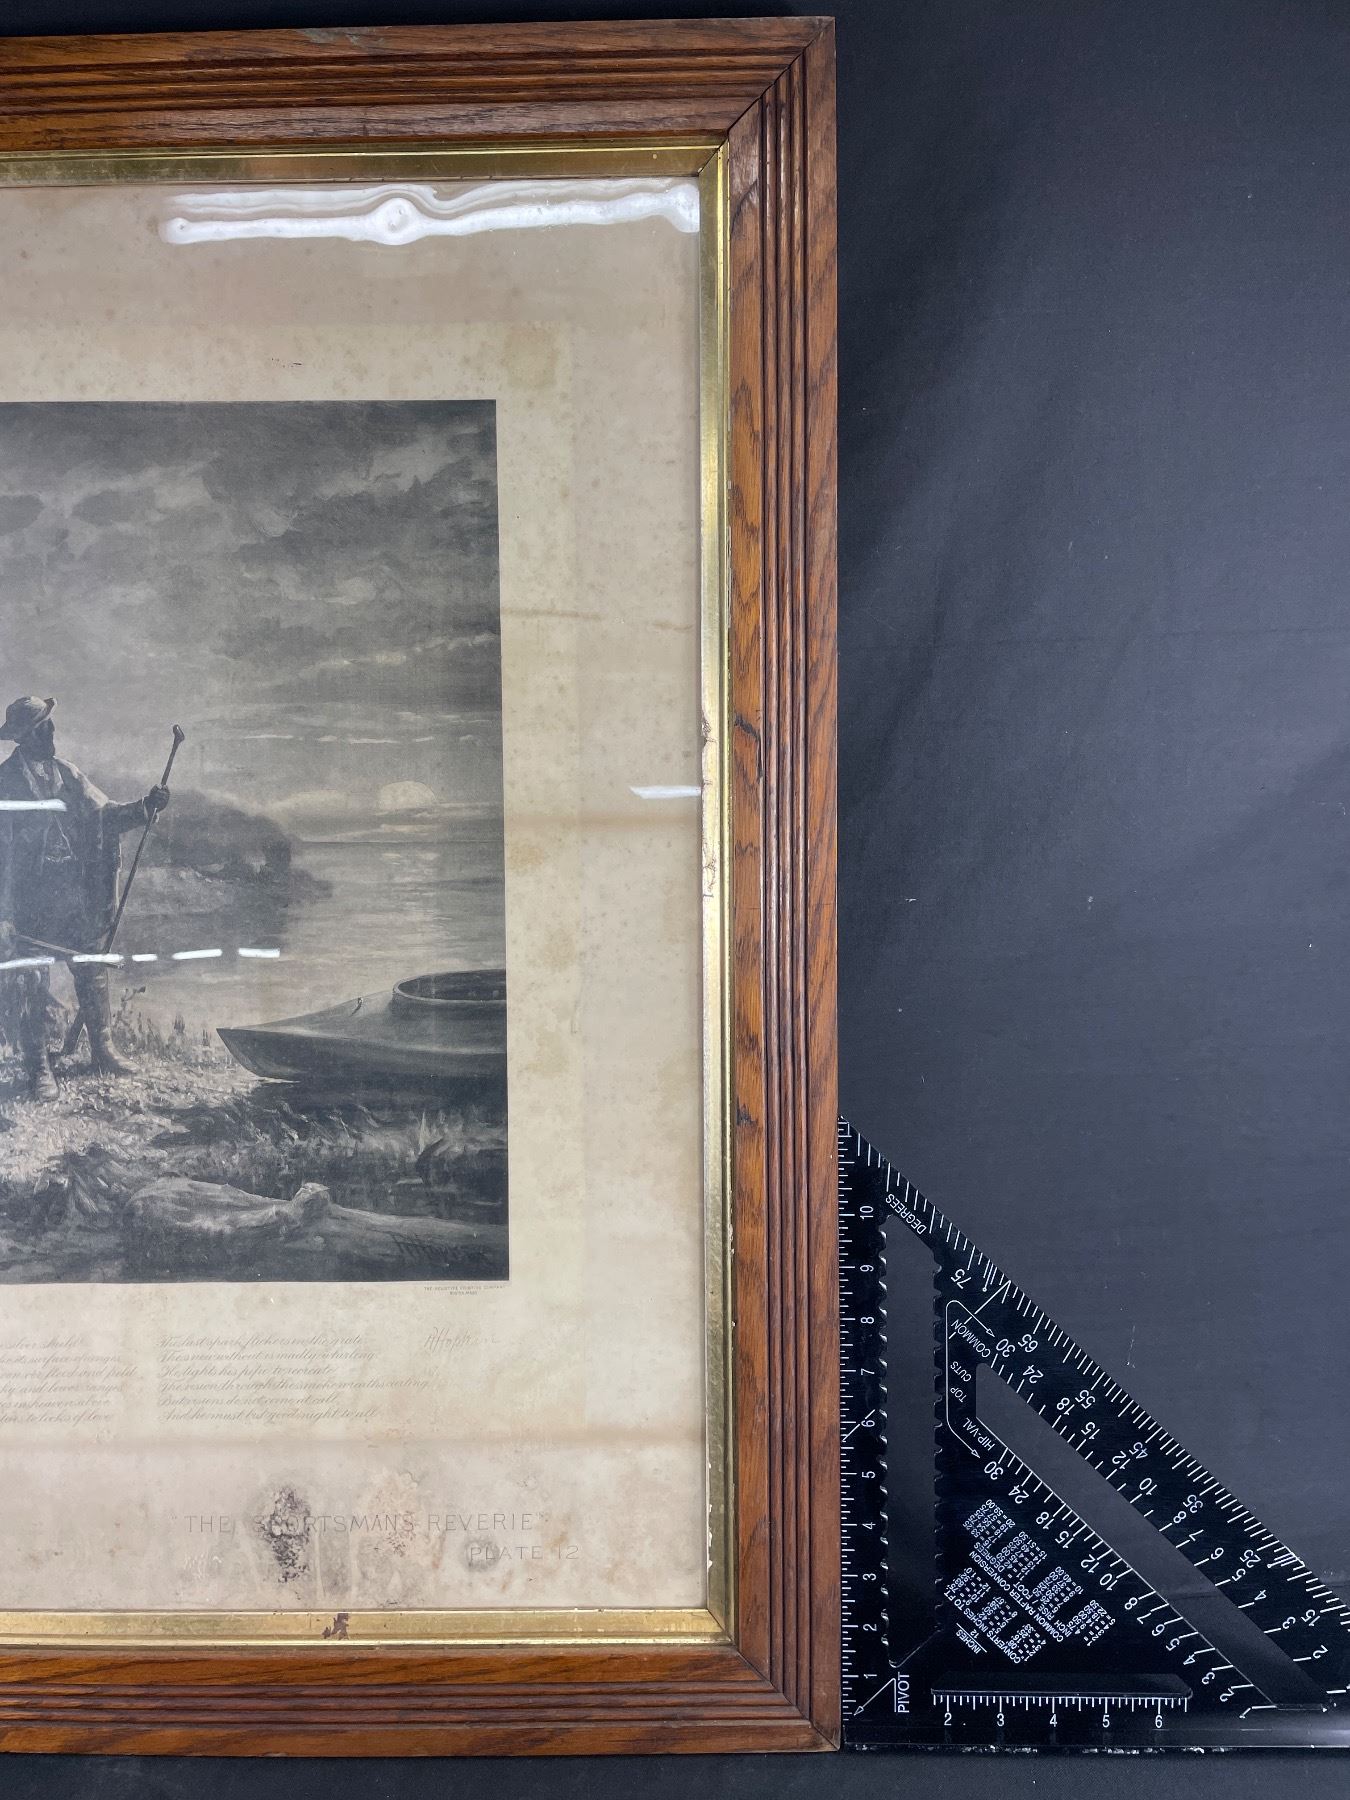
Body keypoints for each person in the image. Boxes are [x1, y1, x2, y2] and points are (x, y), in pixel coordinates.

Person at [0, 696, 170, 1100]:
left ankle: (103, 1051)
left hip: (72, 895)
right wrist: (3, 914)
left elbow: (104, 814)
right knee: (30, 977)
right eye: (42, 727)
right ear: (23, 737)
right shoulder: (4, 782)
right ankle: (38, 1068)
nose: (51, 731)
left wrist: (145, 807)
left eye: (50, 723)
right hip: (27, 902)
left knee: (91, 965)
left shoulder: (67, 773)